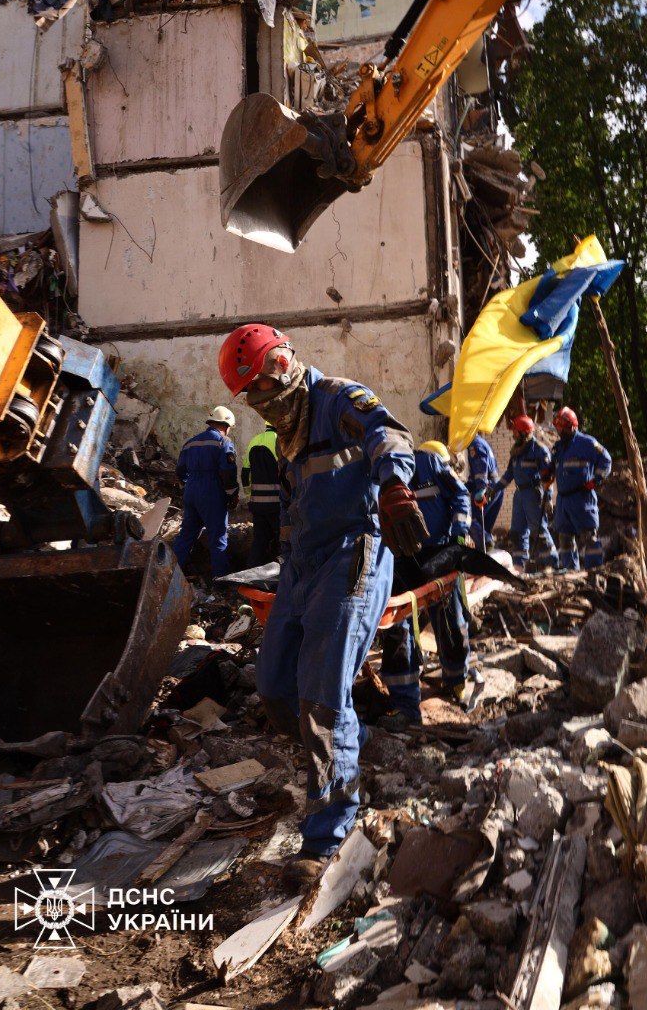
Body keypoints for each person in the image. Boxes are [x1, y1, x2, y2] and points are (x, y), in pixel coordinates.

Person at [218, 323, 426, 882]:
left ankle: (328, 837)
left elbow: (388, 433)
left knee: (321, 696)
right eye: (251, 399)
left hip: (353, 551)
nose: (262, 406)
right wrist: (283, 566)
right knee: (274, 687)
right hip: (302, 565)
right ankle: (343, 750)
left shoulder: (337, 400)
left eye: (264, 391)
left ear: (283, 367)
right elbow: (294, 506)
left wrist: (394, 486)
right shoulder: (285, 435)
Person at [379, 440, 482, 726]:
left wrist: (459, 533)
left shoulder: (429, 463)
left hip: (439, 553)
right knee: (397, 627)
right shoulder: (381, 473)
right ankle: (404, 703)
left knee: (450, 620)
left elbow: (460, 495)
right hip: (403, 559)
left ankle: (456, 679)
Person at [172, 406, 238, 579]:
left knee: (186, 536)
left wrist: (189, 484)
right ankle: (221, 581)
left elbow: (180, 470)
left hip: (191, 491)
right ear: (226, 425)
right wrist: (233, 494)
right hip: (212, 492)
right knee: (218, 537)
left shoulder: (190, 443)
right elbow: (228, 472)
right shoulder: (223, 442)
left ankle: (167, 573)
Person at [543, 407, 611, 571]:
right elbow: (554, 465)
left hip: (581, 498)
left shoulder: (587, 443)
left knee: (589, 537)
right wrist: (548, 471)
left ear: (571, 427)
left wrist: (596, 480)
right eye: (558, 428)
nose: (559, 431)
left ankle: (595, 572)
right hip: (563, 501)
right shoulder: (559, 447)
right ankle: (570, 573)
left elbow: (606, 460)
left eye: (561, 428)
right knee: (565, 539)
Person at [492, 414, 558, 572]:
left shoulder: (538, 450)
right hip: (519, 495)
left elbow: (548, 477)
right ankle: (520, 566)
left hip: (533, 494)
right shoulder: (516, 451)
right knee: (517, 533)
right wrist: (494, 489)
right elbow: (509, 474)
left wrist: (548, 498)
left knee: (539, 531)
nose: (513, 434)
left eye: (515, 431)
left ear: (523, 432)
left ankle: (552, 564)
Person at [242, 421, 280, 566]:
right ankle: (283, 574)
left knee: (259, 541)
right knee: (284, 541)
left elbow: (245, 473)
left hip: (257, 504)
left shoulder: (254, 440)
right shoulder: (279, 440)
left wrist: (249, 496)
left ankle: (250, 573)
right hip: (276, 504)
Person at [466, 432, 502, 549]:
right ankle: (487, 548)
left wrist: (481, 490)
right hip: (494, 487)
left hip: (486, 488)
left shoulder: (475, 444)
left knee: (469, 518)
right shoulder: (482, 442)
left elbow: (480, 471)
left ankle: (487, 543)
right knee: (483, 526)